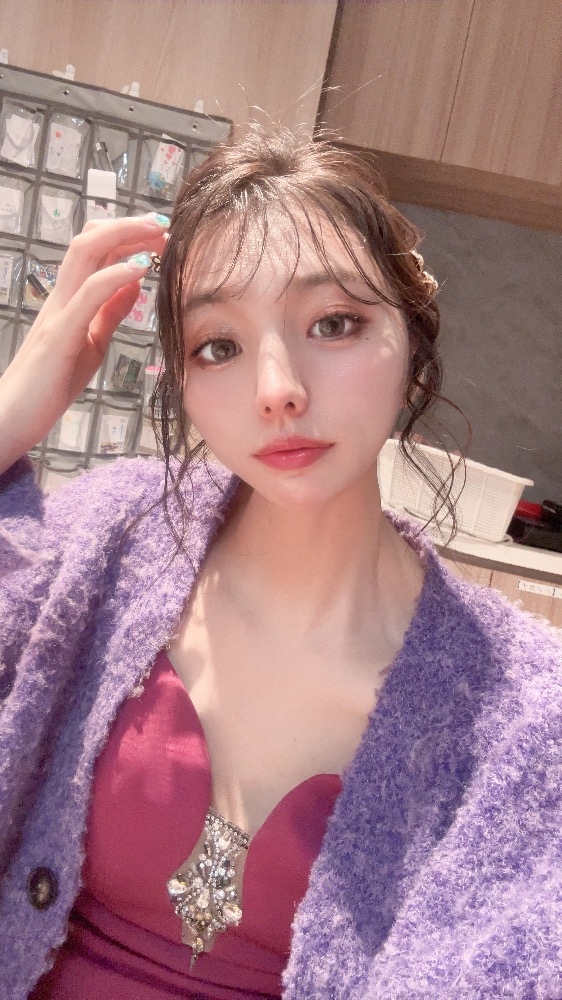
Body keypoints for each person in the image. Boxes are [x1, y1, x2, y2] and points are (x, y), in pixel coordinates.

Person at [0, 127, 561, 1000]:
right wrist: (9, 418)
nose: (278, 389)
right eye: (217, 344)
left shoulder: (522, 714)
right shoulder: (105, 542)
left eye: (334, 323)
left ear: (412, 340)